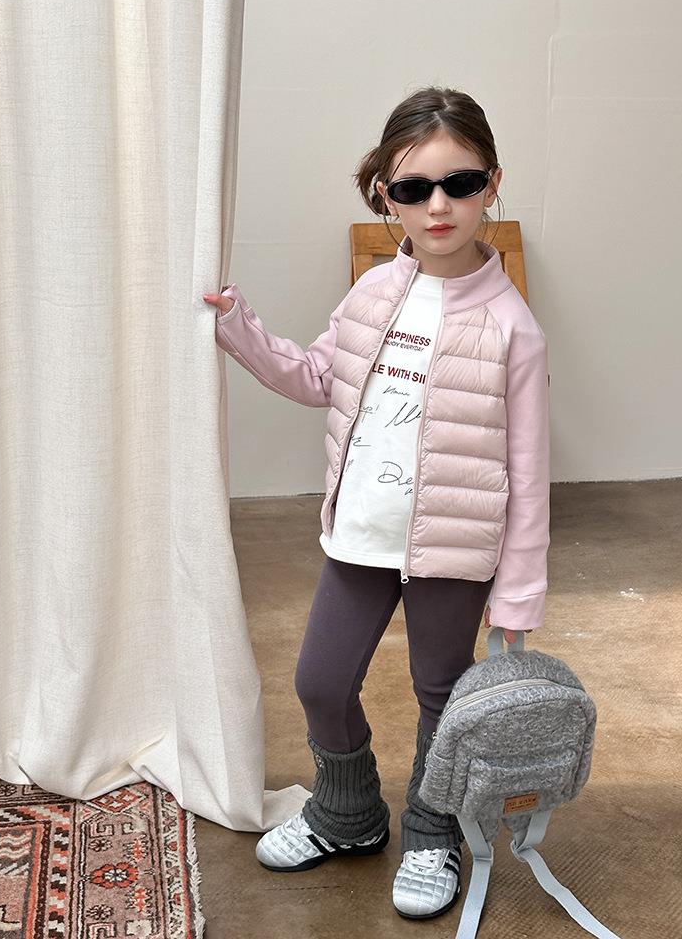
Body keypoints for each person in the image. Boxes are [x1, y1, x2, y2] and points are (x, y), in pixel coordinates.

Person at [203, 85, 549, 921]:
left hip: (454, 550)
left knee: (441, 693)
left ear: (492, 184)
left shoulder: (513, 328)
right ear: (386, 194)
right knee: (320, 682)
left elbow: (528, 470)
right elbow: (318, 377)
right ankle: (348, 813)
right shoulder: (371, 295)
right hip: (361, 534)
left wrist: (517, 593)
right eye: (414, 188)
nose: (438, 206)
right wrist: (237, 327)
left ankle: (433, 832)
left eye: (460, 184)